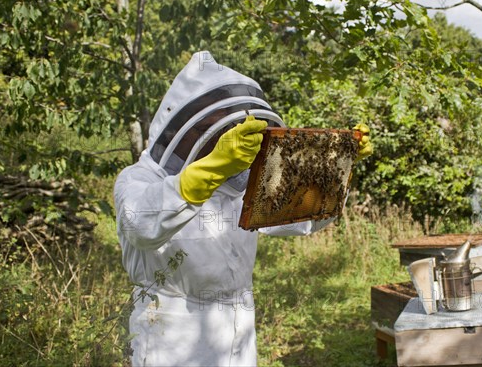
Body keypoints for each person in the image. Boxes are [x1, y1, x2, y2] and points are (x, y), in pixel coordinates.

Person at [114, 51, 373, 367]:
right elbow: (141, 225)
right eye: (214, 127)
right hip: (171, 339)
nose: (221, 137)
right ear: (181, 127)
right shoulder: (139, 179)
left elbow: (302, 218)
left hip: (238, 332)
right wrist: (211, 169)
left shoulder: (236, 186)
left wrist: (335, 171)